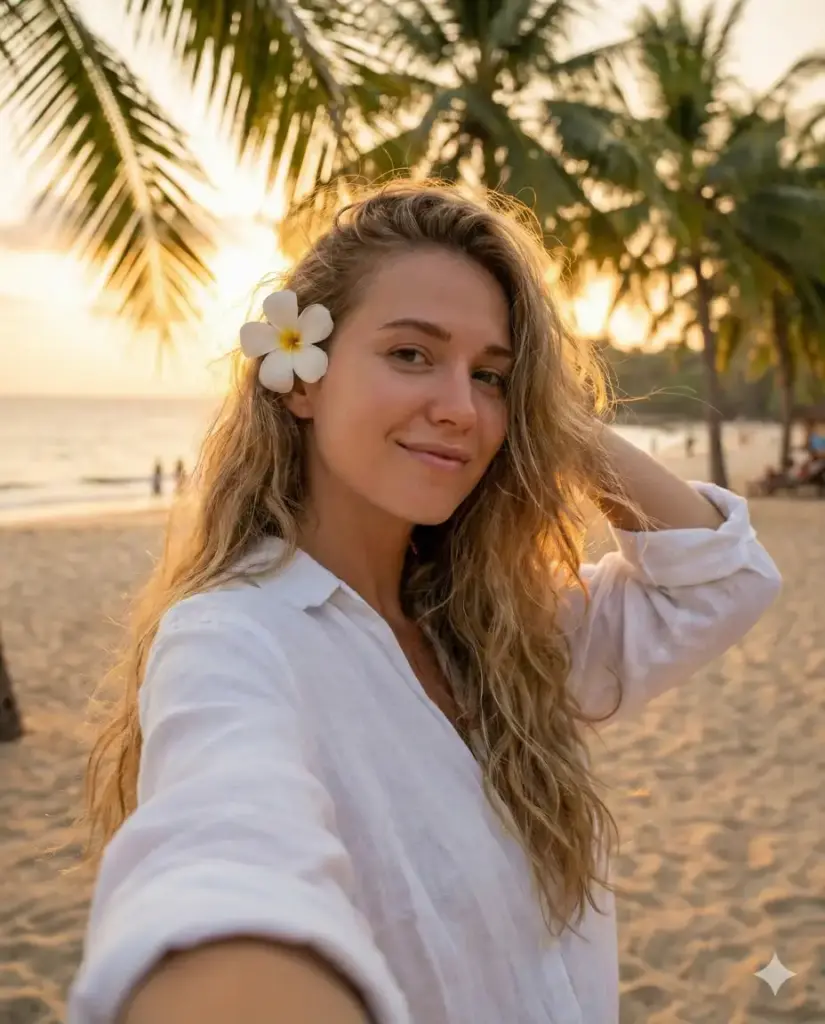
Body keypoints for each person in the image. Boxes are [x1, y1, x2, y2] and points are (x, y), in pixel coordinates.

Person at [69, 183, 781, 1024]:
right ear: (301, 380)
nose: (459, 410)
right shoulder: (231, 637)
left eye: (490, 377)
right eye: (411, 354)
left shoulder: (499, 629)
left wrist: (547, 416)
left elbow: (717, 579)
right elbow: (225, 848)